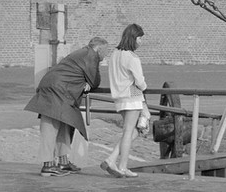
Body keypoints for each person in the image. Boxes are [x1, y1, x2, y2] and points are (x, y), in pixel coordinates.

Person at [23, 36, 109, 177]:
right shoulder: (91, 55)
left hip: (58, 89)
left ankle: (63, 162)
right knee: (50, 127)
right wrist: (88, 81)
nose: (106, 54)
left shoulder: (82, 53)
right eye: (106, 51)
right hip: (57, 91)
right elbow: (94, 81)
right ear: (99, 49)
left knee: (65, 125)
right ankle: (48, 165)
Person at [103, 24, 150, 179]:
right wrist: (144, 86)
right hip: (132, 97)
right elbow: (140, 82)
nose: (141, 42)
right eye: (140, 38)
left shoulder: (114, 54)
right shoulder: (132, 58)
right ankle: (122, 167)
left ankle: (111, 159)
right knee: (129, 131)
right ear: (133, 38)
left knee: (132, 131)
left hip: (119, 98)